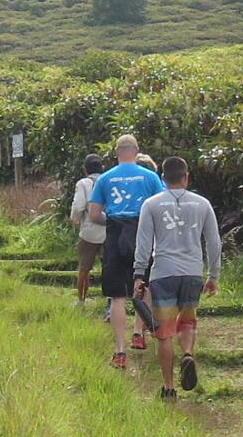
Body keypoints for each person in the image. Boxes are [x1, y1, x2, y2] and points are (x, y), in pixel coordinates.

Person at [133, 156, 222, 399]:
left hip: (163, 273)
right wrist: (213, 275)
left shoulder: (151, 205)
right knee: (188, 321)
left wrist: (139, 273)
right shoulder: (202, 204)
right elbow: (214, 242)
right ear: (186, 177)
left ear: (163, 178)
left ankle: (169, 387)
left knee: (164, 333)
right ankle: (188, 354)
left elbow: (143, 243)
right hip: (193, 272)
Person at [86, 135, 166, 369]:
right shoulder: (150, 177)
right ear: (136, 151)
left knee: (117, 296)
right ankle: (138, 333)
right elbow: (161, 208)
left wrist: (111, 221)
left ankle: (120, 352)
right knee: (143, 285)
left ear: (117, 153)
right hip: (141, 234)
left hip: (114, 235)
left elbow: (93, 214)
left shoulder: (105, 178)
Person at [68, 154, 108, 308]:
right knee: (109, 268)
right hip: (109, 231)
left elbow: (78, 205)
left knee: (84, 269)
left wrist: (75, 219)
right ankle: (110, 302)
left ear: (85, 169)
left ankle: (81, 301)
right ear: (102, 167)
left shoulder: (83, 183)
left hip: (89, 232)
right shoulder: (108, 180)